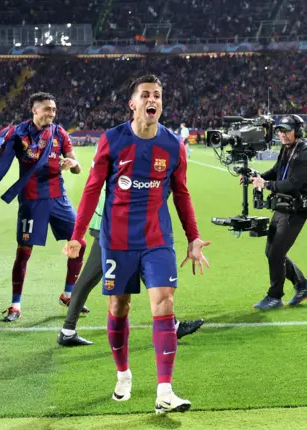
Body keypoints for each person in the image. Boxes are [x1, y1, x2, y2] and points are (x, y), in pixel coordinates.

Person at [64, 74, 210, 413]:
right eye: (145, 94)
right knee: (119, 308)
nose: (152, 100)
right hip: (117, 240)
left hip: (158, 239)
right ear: (133, 103)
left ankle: (165, 391)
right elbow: (91, 190)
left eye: (157, 95)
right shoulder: (112, 140)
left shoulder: (173, 145)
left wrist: (193, 238)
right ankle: (123, 373)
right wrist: (77, 235)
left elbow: (182, 193)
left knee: (164, 303)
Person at [0, 92, 86, 322]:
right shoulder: (19, 134)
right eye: (46, 109)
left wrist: (73, 164)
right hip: (31, 200)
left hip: (58, 199)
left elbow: (77, 167)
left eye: (53, 109)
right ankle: (15, 304)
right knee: (24, 252)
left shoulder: (59, 133)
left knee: (78, 244)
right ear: (34, 110)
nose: (51, 113)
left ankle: (68, 294)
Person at [57, 183, 204, 347]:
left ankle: (68, 331)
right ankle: (68, 331)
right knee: (95, 276)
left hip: (119, 222)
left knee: (98, 276)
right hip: (114, 223)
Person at [248, 115, 307, 309]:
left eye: (286, 130)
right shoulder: (287, 148)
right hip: (283, 205)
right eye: (280, 130)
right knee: (272, 251)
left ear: (297, 131)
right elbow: (276, 171)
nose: (281, 134)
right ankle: (302, 285)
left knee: (276, 253)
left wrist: (265, 184)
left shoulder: (304, 152)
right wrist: (257, 176)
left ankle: (274, 296)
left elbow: (292, 184)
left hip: (297, 209)